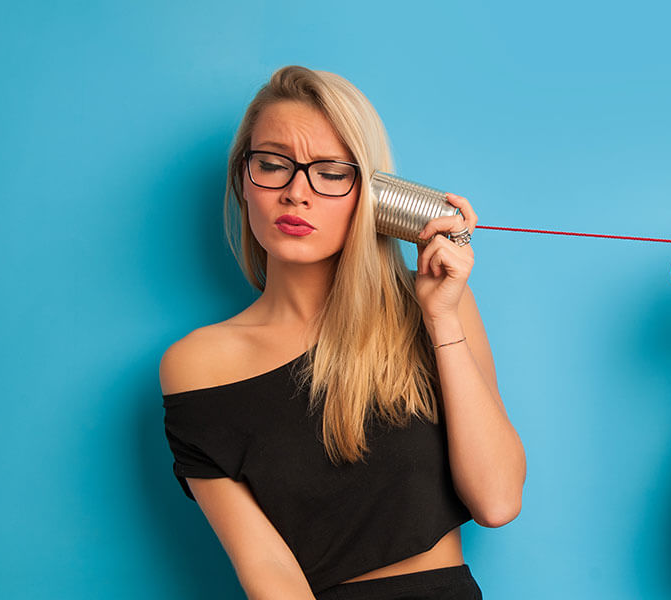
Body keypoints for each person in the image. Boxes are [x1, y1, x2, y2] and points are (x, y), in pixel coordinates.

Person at [160, 66, 525, 599]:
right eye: (272, 164)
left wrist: (442, 319)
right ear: (244, 179)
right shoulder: (198, 365)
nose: (296, 193)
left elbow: (497, 500)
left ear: (372, 194)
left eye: (330, 172)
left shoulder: (435, 308)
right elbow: (266, 569)